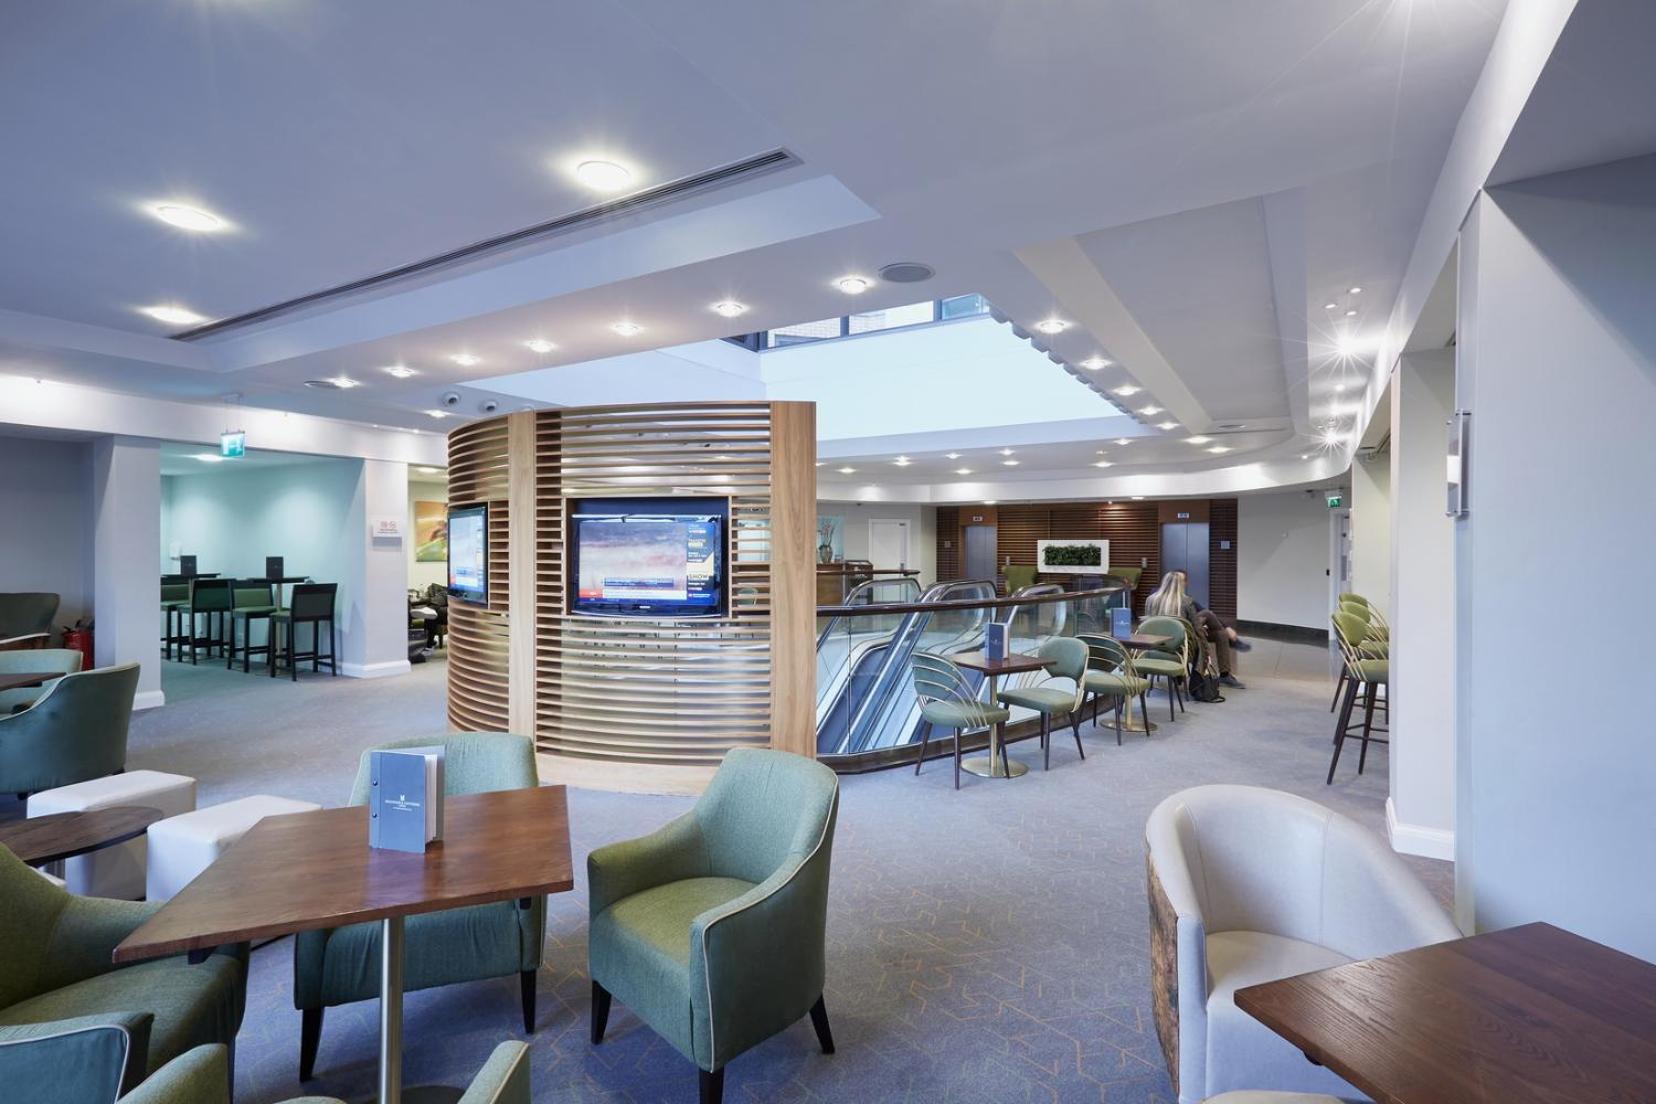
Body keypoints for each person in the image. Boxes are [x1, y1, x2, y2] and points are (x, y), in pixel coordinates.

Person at [1143, 571, 1248, 689]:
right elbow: (1197, 629)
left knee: (1221, 634)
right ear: (1179, 585)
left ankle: (1225, 673)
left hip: (1157, 642)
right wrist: (1202, 630)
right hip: (1182, 642)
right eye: (1183, 582)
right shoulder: (1186, 601)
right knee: (1209, 615)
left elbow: (1147, 623)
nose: (1186, 584)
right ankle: (1226, 670)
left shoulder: (1150, 600)